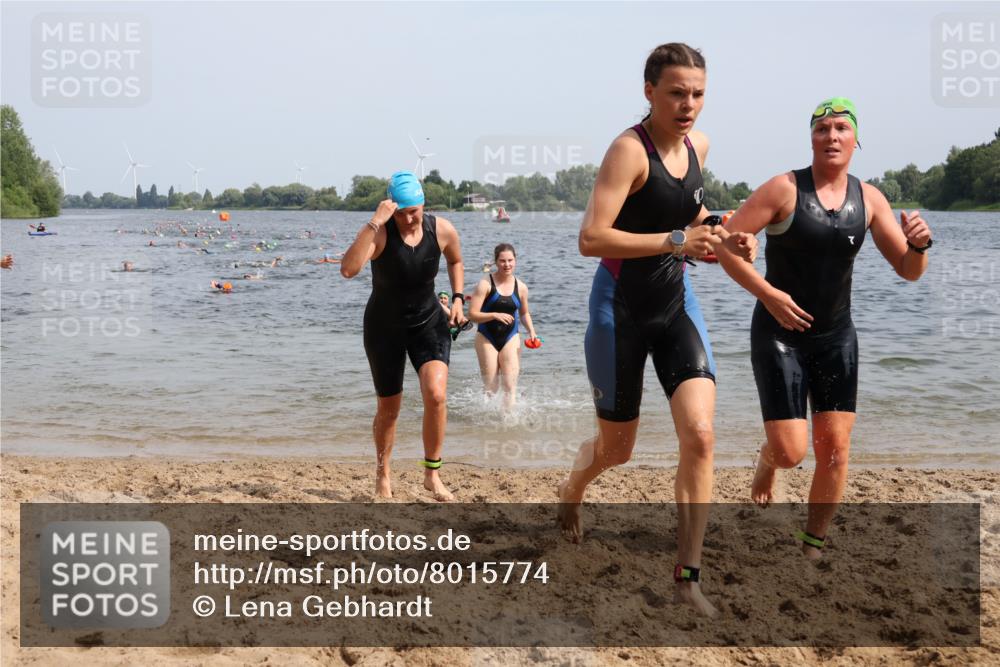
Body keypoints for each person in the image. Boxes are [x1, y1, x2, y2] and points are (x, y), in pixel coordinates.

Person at [556, 43, 757, 618]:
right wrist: (676, 242)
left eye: (697, 94)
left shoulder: (699, 146)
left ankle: (687, 577)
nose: (688, 104)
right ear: (649, 92)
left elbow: (687, 213)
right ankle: (575, 485)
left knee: (700, 435)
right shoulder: (628, 151)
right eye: (676, 92)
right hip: (617, 309)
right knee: (617, 453)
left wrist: (723, 230)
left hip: (675, 304)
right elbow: (591, 238)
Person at [716, 97, 932, 559]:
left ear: (856, 140)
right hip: (778, 333)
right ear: (811, 138)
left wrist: (919, 246)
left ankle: (813, 543)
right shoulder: (783, 189)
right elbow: (725, 247)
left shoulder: (869, 198)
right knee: (793, 452)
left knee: (834, 450)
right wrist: (769, 295)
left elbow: (908, 269)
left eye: (840, 129)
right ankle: (769, 456)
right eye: (822, 129)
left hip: (836, 336)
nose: (831, 137)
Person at [341, 171, 467, 501]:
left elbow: (455, 259)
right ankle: (383, 474)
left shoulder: (440, 229)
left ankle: (432, 475)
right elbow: (348, 269)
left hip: (428, 323)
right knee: (389, 409)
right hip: (385, 328)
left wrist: (457, 298)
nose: (409, 219)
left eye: (414, 211)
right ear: (390, 209)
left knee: (436, 395)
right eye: (401, 212)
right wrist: (373, 223)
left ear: (423, 205)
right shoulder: (380, 234)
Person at [467, 243, 538, 411]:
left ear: (515, 261)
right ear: (496, 262)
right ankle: (488, 421)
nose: (507, 265)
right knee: (491, 387)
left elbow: (524, 313)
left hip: (511, 337)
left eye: (510, 260)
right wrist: (494, 315)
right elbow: (472, 314)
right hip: (486, 337)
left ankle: (508, 422)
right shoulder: (485, 284)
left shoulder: (521, 287)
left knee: (509, 384)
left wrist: (532, 331)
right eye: (502, 261)